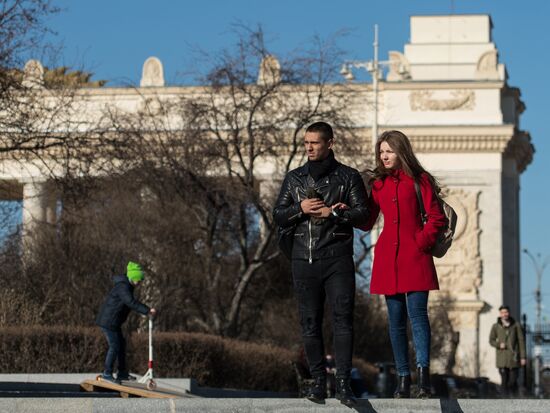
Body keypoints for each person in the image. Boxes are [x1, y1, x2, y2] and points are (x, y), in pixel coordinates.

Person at [273, 121, 369, 406]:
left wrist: (335, 214)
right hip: (304, 258)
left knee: (343, 320)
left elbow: (363, 215)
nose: (309, 148)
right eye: (306, 143)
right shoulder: (295, 178)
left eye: (315, 142)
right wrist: (299, 209)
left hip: (337, 258)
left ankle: (342, 385)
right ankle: (316, 383)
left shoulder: (348, 177)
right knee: (309, 323)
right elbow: (278, 215)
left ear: (330, 143)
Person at [357, 130, 446, 398]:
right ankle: (403, 379)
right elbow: (367, 221)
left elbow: (436, 218)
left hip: (415, 256)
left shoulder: (421, 180)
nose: (384, 156)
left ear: (401, 151)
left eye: (389, 151)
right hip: (387, 259)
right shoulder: (378, 184)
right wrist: (345, 211)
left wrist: (421, 242)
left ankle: (424, 379)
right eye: (381, 152)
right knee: (395, 322)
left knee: (418, 317)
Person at [96, 261, 156, 383]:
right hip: (108, 322)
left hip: (114, 322)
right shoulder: (122, 287)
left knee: (121, 345)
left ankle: (122, 373)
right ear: (133, 277)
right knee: (114, 346)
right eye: (138, 280)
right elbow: (130, 302)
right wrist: (147, 310)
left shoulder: (127, 286)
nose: (139, 283)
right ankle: (107, 373)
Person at [489, 305, 526, 397]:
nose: (504, 314)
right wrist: (498, 344)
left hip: (514, 357)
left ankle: (515, 397)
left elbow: (521, 341)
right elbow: (491, 340)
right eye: (502, 312)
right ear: (500, 314)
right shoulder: (496, 326)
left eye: (506, 312)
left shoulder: (516, 325)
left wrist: (523, 357)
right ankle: (504, 401)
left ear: (509, 313)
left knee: (512, 380)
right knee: (504, 380)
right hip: (502, 358)